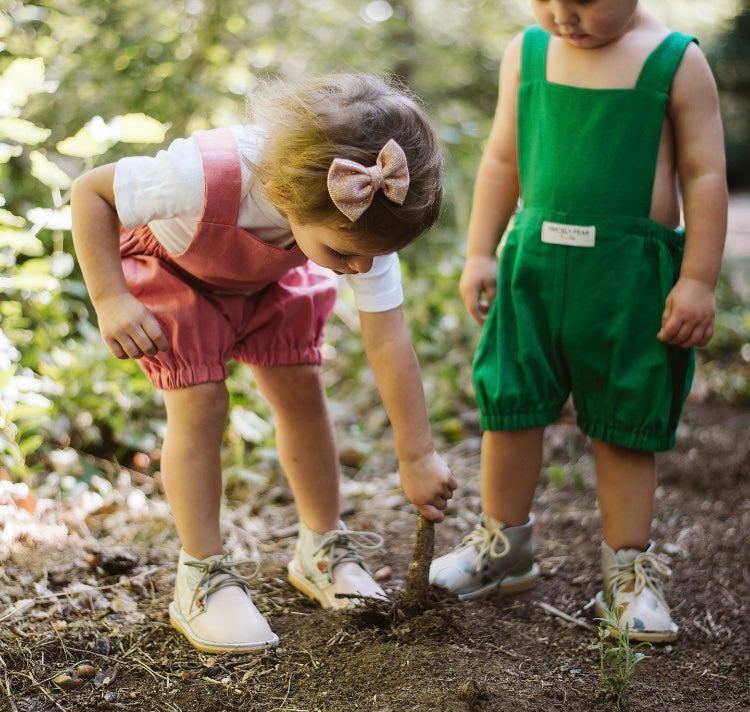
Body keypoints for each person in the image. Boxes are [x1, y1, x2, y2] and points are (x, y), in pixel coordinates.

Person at [71, 73, 457, 654]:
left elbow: (389, 341)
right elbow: (91, 193)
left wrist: (418, 455)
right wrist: (110, 298)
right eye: (346, 255)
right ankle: (202, 575)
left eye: (369, 259)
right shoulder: (201, 173)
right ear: (290, 193)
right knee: (202, 402)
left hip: (272, 277)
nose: (359, 269)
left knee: (302, 389)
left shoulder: (364, 227)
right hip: (180, 275)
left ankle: (321, 546)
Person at [430, 0, 727, 642]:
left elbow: (704, 175)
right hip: (532, 266)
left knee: (624, 420)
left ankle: (627, 573)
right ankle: (503, 547)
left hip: (627, 277)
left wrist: (697, 279)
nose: (563, 13)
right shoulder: (527, 52)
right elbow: (503, 159)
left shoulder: (676, 61)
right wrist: (481, 250)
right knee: (512, 404)